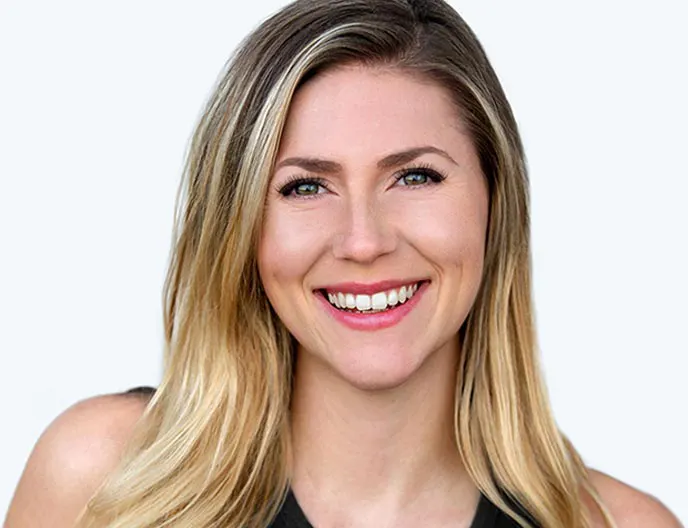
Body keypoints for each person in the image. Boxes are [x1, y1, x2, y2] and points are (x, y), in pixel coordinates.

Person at [4, 1, 682, 527]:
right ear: (241, 228)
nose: (363, 241)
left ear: (494, 202)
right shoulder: (105, 479)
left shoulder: (618, 524)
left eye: (415, 177)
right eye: (306, 186)